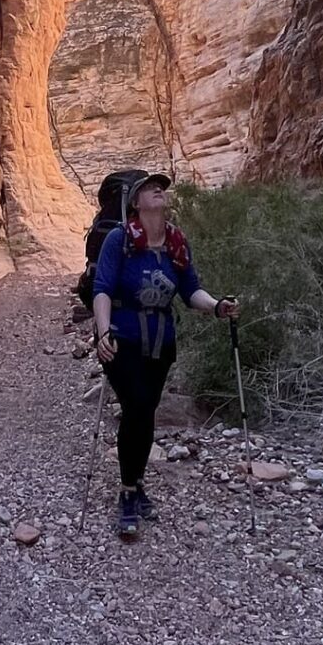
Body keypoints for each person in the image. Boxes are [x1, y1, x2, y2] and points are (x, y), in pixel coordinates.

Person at [91, 173, 238, 541]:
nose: (160, 190)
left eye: (162, 187)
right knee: (137, 407)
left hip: (161, 344)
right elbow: (103, 288)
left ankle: (138, 483)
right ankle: (127, 494)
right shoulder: (119, 240)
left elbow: (190, 292)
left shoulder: (175, 242)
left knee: (146, 413)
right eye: (150, 188)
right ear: (136, 203)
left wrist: (217, 307)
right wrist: (103, 330)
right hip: (121, 341)